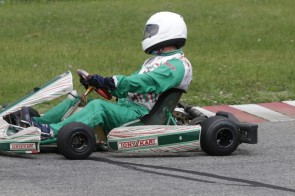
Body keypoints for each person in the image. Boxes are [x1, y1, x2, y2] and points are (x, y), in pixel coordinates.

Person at [27, 11, 193, 138]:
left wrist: (112, 81)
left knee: (97, 107)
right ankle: (35, 124)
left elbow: (145, 82)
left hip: (142, 116)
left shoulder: (177, 65)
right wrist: (102, 84)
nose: (148, 35)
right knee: (77, 99)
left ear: (168, 31)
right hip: (127, 108)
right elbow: (128, 88)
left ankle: (51, 132)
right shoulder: (155, 61)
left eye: (152, 31)